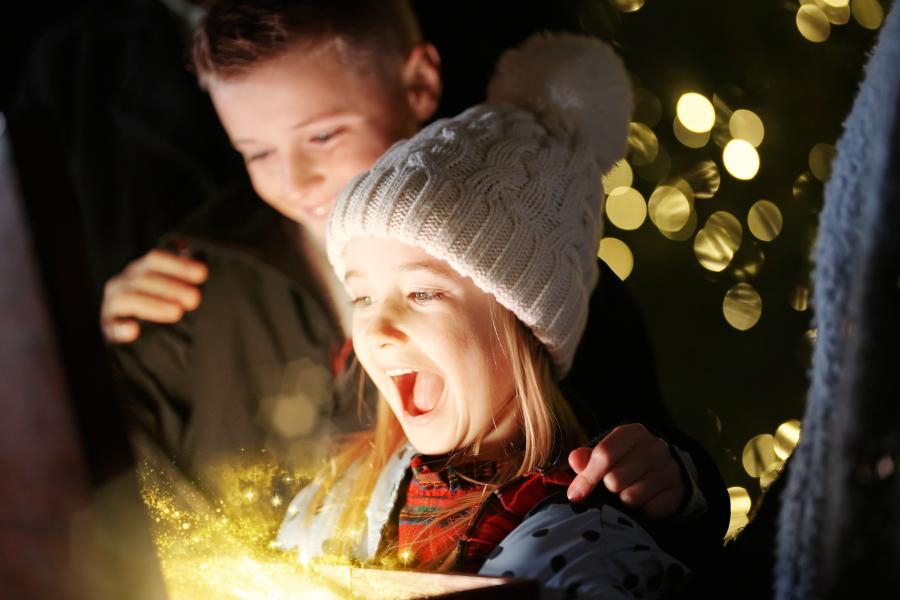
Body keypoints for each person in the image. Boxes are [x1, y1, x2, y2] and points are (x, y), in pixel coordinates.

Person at [102, 0, 726, 546]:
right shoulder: (191, 290)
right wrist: (77, 352)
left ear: (420, 83)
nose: (293, 181)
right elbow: (101, 485)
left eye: (322, 135)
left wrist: (675, 478)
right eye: (256, 152)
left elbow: (649, 462)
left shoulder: (544, 275)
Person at [276, 34, 698, 597]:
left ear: (522, 320)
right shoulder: (340, 499)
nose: (376, 330)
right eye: (362, 297)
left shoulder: (579, 543)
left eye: (423, 294)